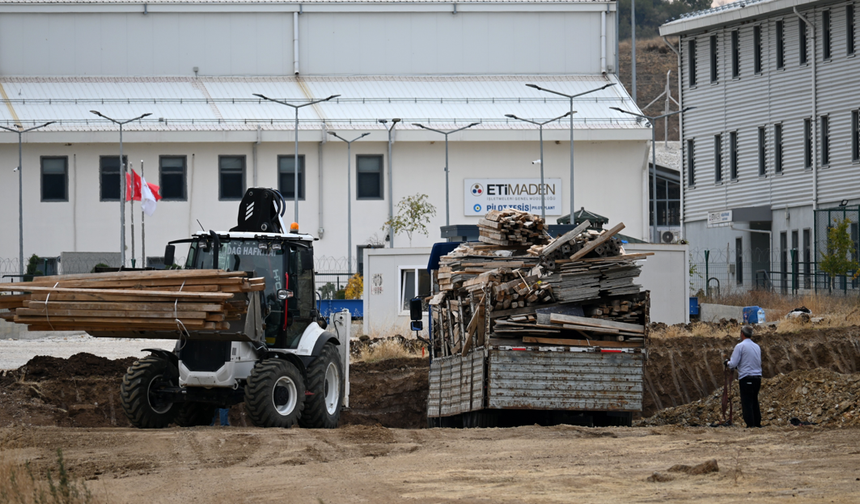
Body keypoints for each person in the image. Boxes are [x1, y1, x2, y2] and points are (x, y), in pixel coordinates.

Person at [725, 325, 762, 428]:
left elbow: (733, 363)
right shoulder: (756, 346)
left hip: (746, 378)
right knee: (754, 400)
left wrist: (727, 363)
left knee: (747, 402)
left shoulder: (740, 346)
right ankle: (757, 423)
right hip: (757, 378)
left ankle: (750, 424)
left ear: (742, 334)